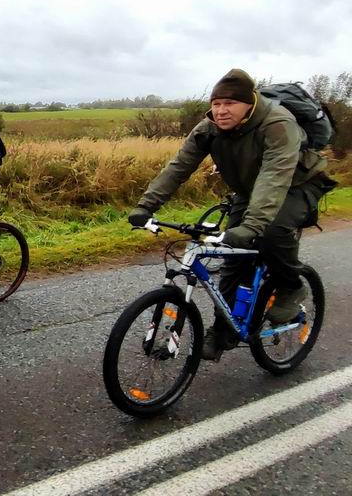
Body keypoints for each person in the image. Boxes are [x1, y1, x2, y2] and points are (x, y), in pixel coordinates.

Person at [128, 69, 336, 361]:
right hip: (249, 191)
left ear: (250, 103)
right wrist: (145, 207)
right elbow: (178, 168)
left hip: (297, 183)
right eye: (216, 103)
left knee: (270, 232)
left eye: (230, 103)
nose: (221, 110)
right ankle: (223, 331)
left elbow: (274, 178)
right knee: (231, 258)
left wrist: (252, 225)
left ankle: (291, 286)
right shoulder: (209, 128)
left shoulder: (278, 124)